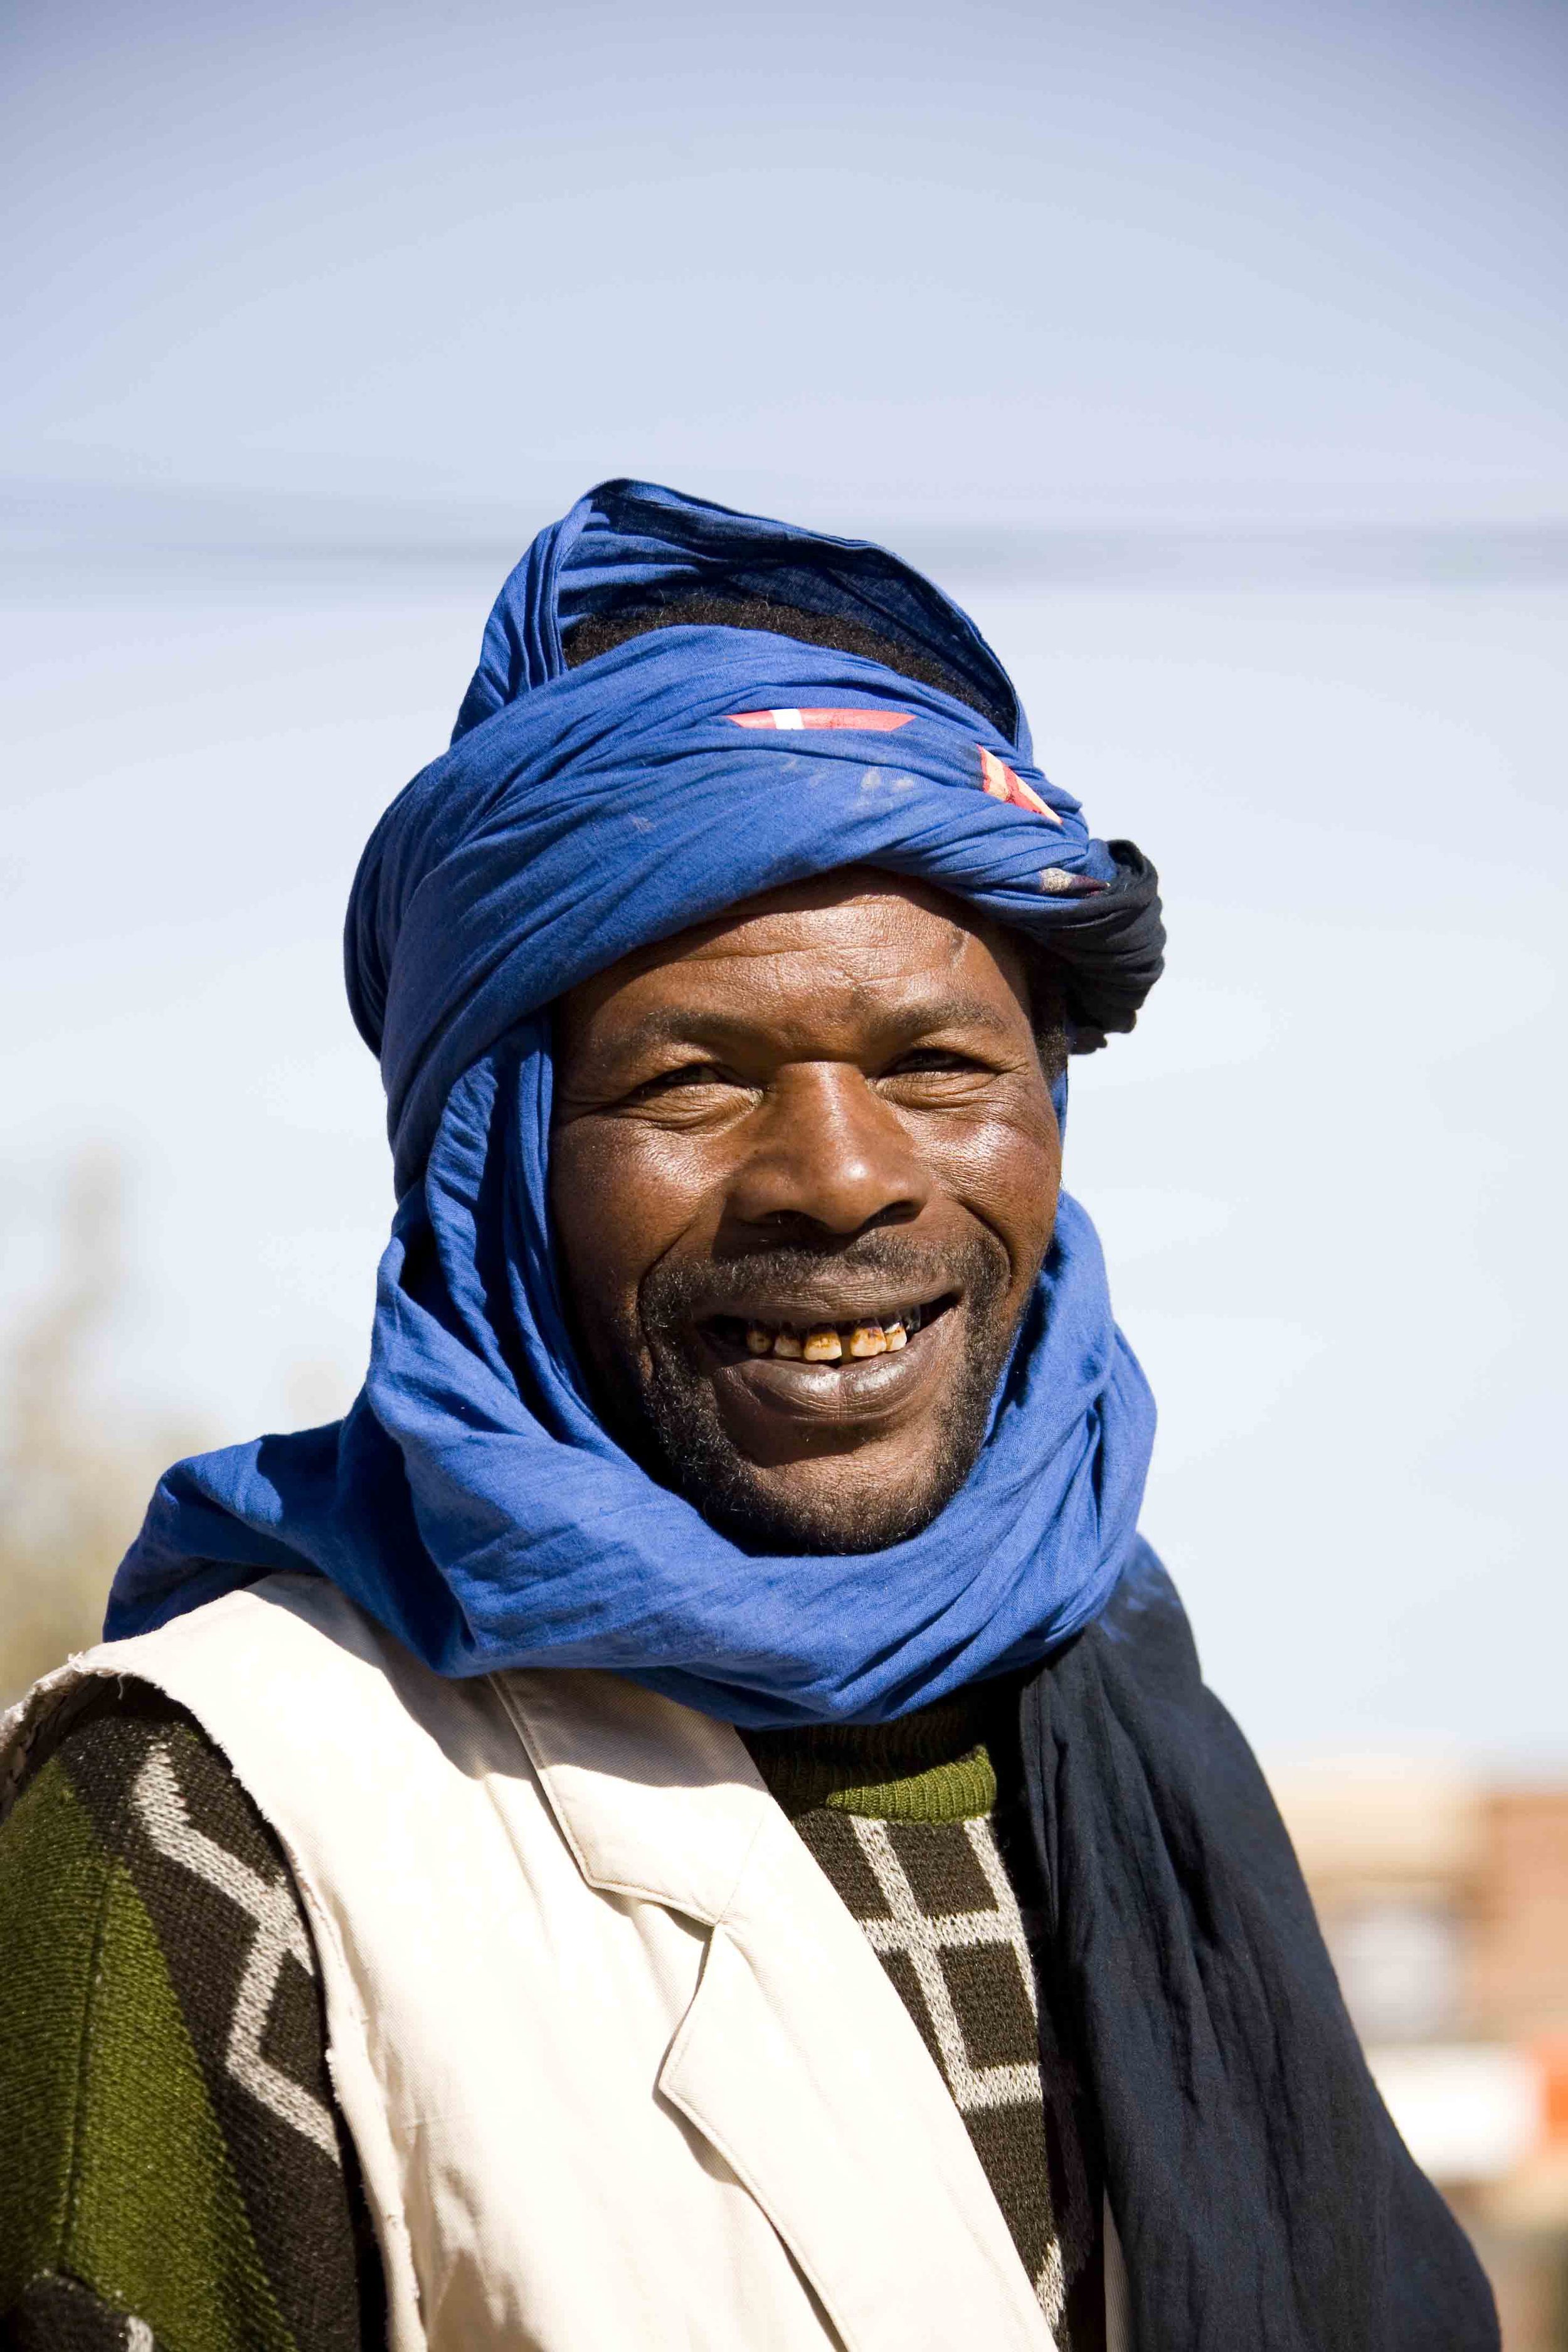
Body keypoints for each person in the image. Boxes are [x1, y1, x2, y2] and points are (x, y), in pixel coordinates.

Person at [0, 481, 1497, 2352]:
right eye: (692, 1080)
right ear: (497, 1163)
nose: (841, 1179)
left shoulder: (1123, 1717)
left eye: (939, 1066)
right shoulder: (226, 1812)